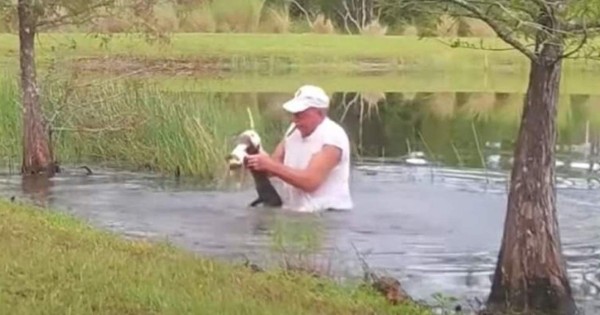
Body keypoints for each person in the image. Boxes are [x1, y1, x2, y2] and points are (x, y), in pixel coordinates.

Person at [245, 84, 353, 212]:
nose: (295, 120)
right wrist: (254, 156)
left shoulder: (333, 138)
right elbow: (272, 169)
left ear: (320, 113)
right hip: (297, 212)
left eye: (301, 114)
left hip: (328, 214)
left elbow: (310, 182)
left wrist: (269, 165)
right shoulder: (293, 130)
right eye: (294, 114)